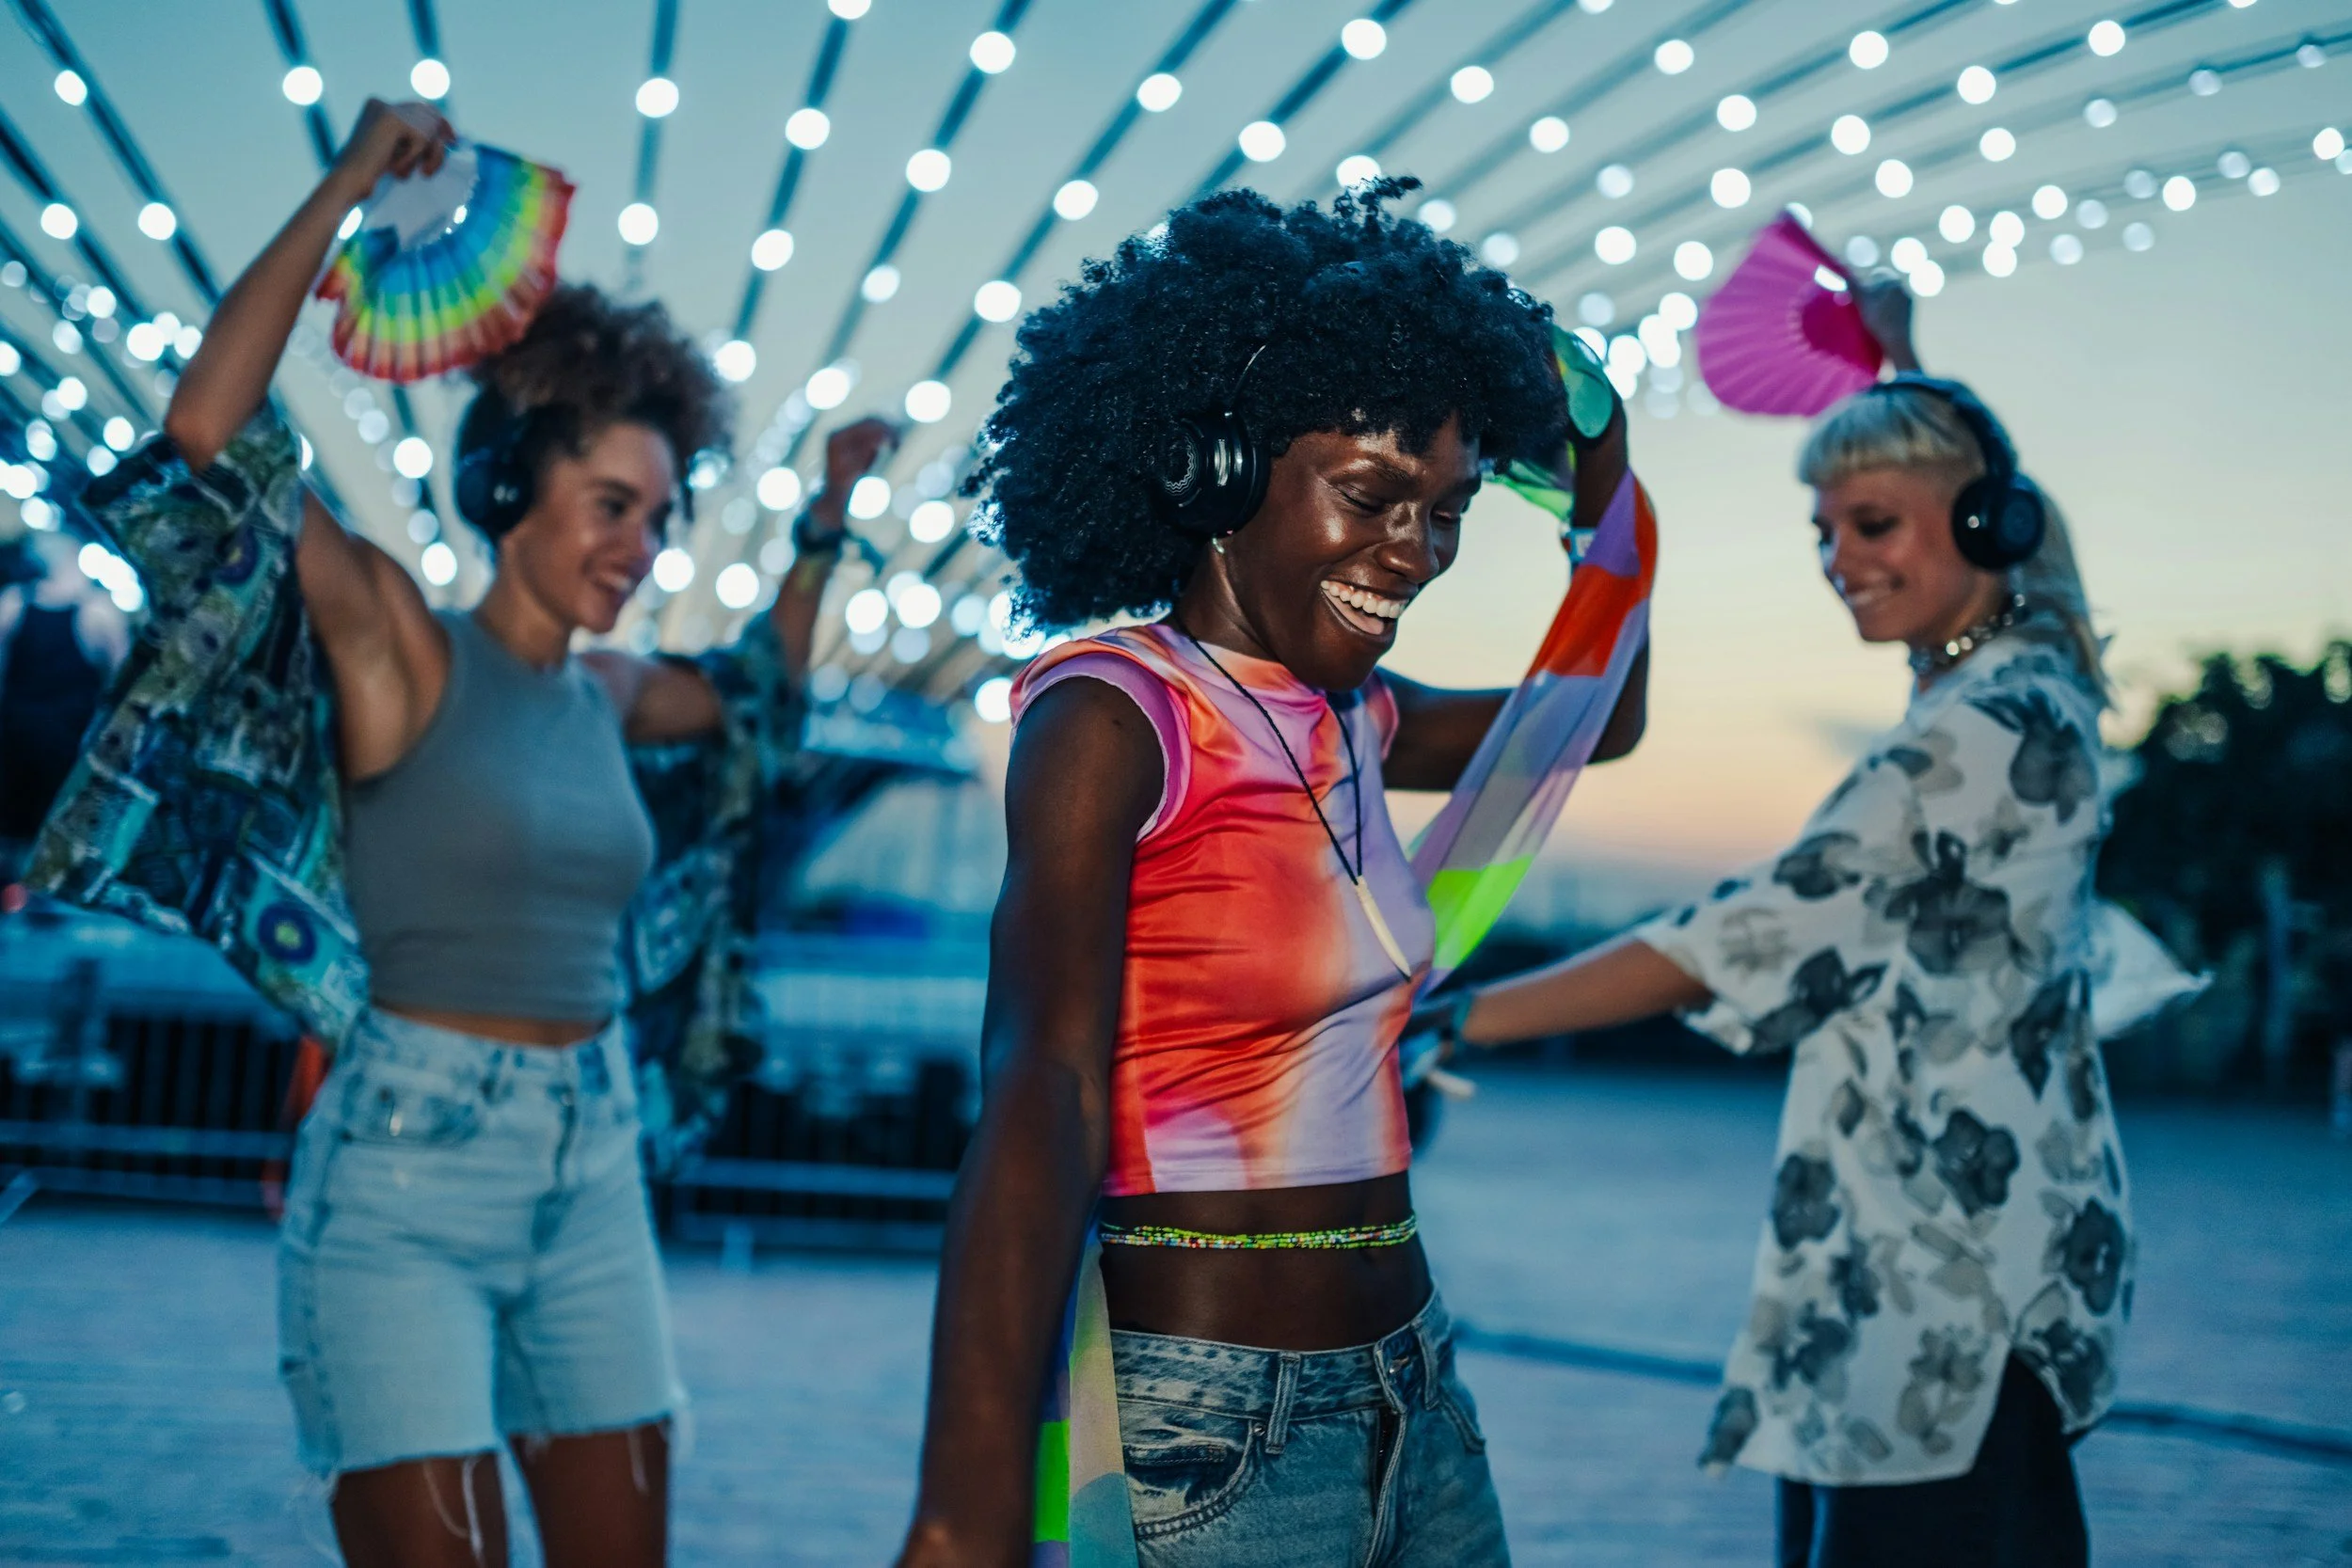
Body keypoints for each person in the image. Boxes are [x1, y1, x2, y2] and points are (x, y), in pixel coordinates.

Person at [26, 100, 893, 1564]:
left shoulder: (612, 693)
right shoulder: (398, 647)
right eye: (613, 504)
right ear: (508, 488)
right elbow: (206, 433)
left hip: (596, 1161)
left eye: (660, 515)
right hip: (408, 1172)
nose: (642, 544)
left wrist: (826, 518)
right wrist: (352, 182)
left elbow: (765, 694)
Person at [896, 183, 1646, 1568]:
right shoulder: (1115, 717)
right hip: (1213, 1423)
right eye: (1372, 496)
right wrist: (967, 1497)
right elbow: (1039, 1084)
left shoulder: (1362, 715)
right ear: (1223, 472)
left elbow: (1601, 713)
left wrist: (1604, 467)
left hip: (1415, 1389)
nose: (1415, 553)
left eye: (1449, 508)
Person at [1420, 281, 2126, 1568]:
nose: (1839, 558)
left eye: (1872, 524)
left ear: (1984, 524)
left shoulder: (1982, 732)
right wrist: (1906, 366)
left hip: (1935, 1299)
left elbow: (1748, 928)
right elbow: (2001, 510)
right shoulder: (2032, 673)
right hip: (1960, 1272)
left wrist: (1446, 1011)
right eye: (1825, 530)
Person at [0, 527, 128, 869]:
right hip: (64, 740)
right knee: (42, 828)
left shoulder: (14, 602)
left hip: (17, 731)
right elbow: (122, 682)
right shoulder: (101, 612)